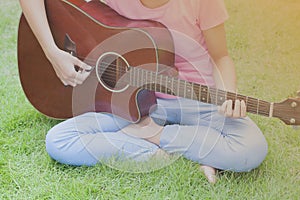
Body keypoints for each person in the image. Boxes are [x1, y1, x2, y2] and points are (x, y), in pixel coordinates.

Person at [19, 0, 268, 184]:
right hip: (130, 105)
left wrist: (229, 93)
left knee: (252, 148)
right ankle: (188, 152)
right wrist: (53, 53)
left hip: (197, 100)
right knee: (59, 141)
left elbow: (221, 56)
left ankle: (153, 138)